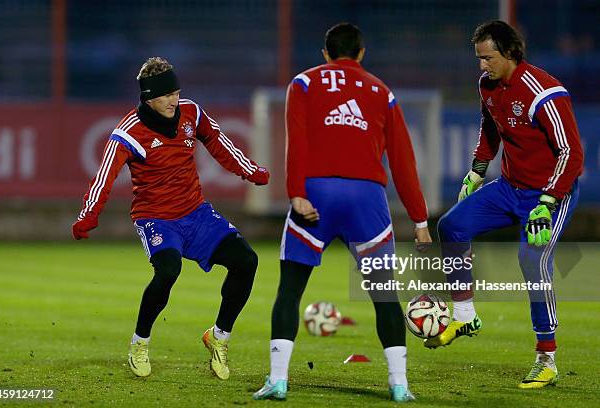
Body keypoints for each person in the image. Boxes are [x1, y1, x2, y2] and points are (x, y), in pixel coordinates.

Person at [252, 23, 431, 402]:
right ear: (361, 53)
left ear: (325, 53)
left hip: (316, 194)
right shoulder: (383, 92)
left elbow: (295, 139)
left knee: (290, 290)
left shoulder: (303, 83)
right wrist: (419, 219)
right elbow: (403, 161)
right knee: (385, 295)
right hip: (367, 199)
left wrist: (296, 193)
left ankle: (278, 380)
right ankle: (400, 384)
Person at [72, 57, 270, 380]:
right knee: (168, 270)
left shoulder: (191, 112)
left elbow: (219, 143)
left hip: (197, 213)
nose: (173, 101)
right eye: (165, 95)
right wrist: (88, 215)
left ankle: (218, 338)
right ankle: (140, 342)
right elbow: (104, 176)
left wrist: (250, 171)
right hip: (156, 219)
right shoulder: (128, 132)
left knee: (247, 261)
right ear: (148, 97)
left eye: (176, 92)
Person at [428, 21, 584, 389]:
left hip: (550, 193)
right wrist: (476, 172)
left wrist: (547, 201)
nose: (482, 66)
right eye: (479, 58)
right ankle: (464, 315)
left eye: (488, 58)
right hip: (509, 187)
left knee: (532, 260)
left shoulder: (544, 92)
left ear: (511, 53)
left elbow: (571, 153)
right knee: (451, 226)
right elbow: (491, 126)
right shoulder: (487, 86)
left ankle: (546, 358)